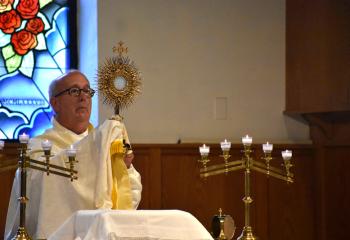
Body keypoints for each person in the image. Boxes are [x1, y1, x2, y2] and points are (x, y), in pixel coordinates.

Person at [5, 70, 142, 239]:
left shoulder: (104, 146)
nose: (83, 97)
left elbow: (130, 199)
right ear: (55, 103)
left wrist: (124, 167)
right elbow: (43, 193)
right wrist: (95, 152)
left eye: (87, 91)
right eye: (74, 91)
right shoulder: (37, 148)